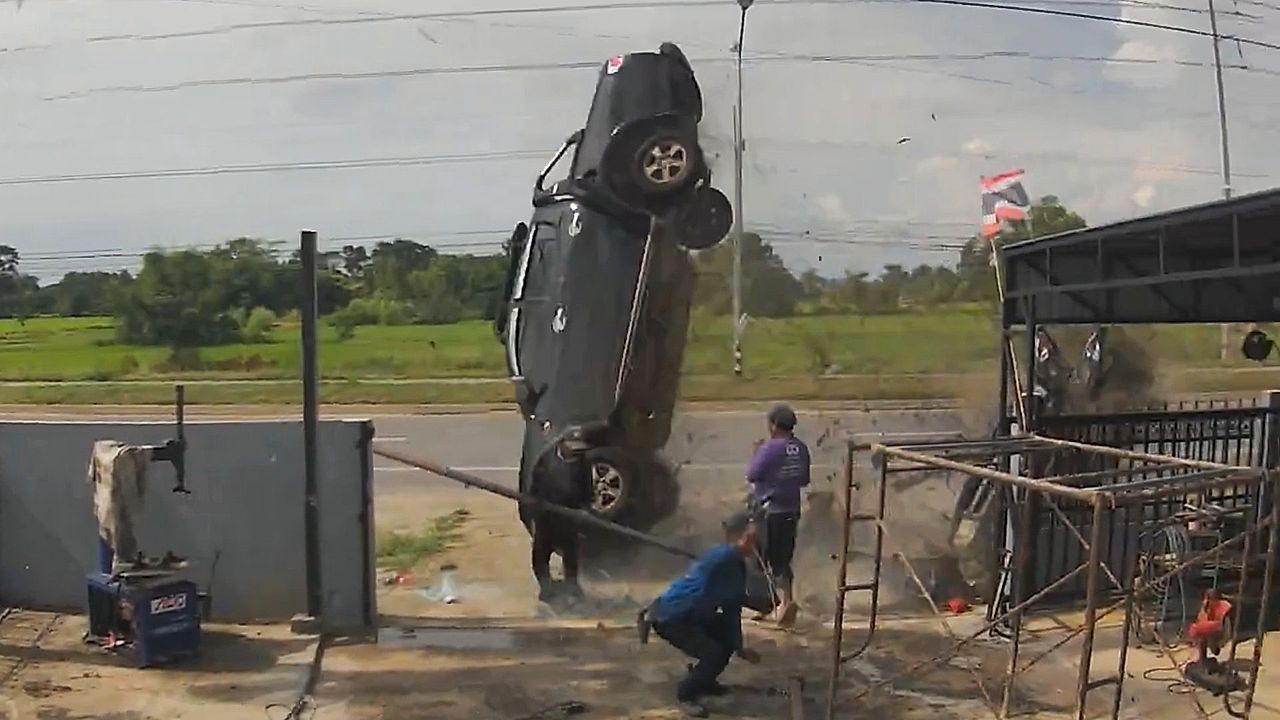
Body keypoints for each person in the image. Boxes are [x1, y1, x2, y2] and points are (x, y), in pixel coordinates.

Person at [647, 511, 762, 717]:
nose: (754, 543)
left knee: (724, 641)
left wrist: (738, 646)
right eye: (749, 537)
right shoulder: (723, 558)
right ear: (736, 537)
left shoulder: (735, 564)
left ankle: (705, 682)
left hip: (692, 615)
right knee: (712, 653)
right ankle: (686, 694)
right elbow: (731, 598)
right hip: (671, 616)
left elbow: (731, 611)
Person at [746, 403, 811, 626]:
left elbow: (752, 475)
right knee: (783, 558)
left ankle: (765, 604)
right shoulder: (801, 448)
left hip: (768, 511)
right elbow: (803, 479)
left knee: (760, 559)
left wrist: (756, 453)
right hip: (791, 510)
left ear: (773, 425)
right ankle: (787, 601)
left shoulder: (769, 448)